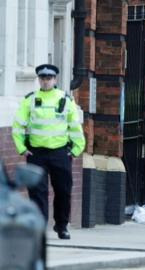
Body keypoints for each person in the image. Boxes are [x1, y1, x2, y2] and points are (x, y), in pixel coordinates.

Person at [11, 64, 85, 239]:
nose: (45, 81)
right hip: (36, 153)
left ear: (55, 80)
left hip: (60, 153)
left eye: (49, 78)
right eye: (43, 78)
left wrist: (75, 150)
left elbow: (75, 127)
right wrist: (22, 148)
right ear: (39, 80)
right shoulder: (30, 100)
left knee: (63, 191)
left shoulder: (65, 100)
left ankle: (61, 226)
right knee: (37, 192)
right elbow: (17, 126)